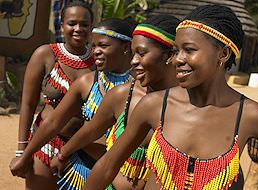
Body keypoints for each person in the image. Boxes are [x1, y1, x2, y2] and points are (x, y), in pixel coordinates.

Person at [82, 5, 258, 190]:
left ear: (223, 54)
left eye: (189, 50)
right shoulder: (155, 106)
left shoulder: (250, 115)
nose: (178, 60)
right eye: (176, 51)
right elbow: (108, 166)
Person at [49, 15, 180, 190]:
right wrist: (62, 155)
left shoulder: (188, 107)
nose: (133, 61)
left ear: (170, 55)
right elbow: (91, 131)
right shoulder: (123, 95)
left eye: (141, 53)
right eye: (134, 54)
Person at [9, 16, 134, 189]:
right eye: (94, 46)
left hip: (124, 171)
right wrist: (24, 154)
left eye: (103, 46)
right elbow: (53, 122)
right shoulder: (88, 82)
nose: (96, 51)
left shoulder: (141, 86)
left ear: (126, 48)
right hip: (80, 166)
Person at [8, 1, 95, 189]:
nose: (78, 29)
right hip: (45, 145)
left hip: (85, 149)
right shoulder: (45, 55)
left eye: (84, 24)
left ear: (91, 27)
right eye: (72, 23)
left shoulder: (99, 60)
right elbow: (28, 105)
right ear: (62, 25)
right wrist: (22, 151)